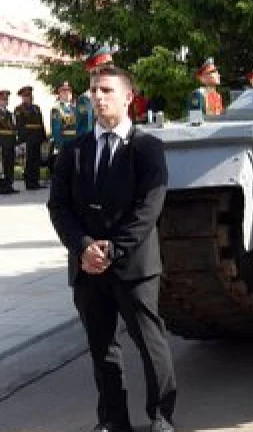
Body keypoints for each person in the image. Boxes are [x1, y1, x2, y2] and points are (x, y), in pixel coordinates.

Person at [47, 66, 177, 432]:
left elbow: (150, 205)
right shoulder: (74, 151)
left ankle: (162, 416)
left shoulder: (146, 148)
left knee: (150, 344)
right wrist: (84, 247)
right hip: (87, 269)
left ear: (128, 97)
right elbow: (59, 207)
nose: (98, 97)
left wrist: (114, 249)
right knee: (102, 349)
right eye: (93, 91)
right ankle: (112, 420)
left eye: (106, 90)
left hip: (133, 266)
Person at [77, 46, 115, 138]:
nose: (112, 69)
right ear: (97, 70)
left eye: (111, 65)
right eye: (107, 67)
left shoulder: (115, 94)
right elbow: (85, 131)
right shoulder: (86, 98)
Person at [14, 85, 47, 190]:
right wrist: (23, 139)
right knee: (29, 161)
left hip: (37, 137)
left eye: (30, 95)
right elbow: (19, 126)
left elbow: (41, 123)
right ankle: (29, 183)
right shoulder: (19, 109)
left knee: (36, 160)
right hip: (28, 138)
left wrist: (43, 137)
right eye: (26, 96)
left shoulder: (36, 108)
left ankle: (35, 181)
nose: (29, 97)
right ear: (23, 97)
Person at [51, 81, 78, 154]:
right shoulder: (57, 109)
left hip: (77, 144)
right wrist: (60, 147)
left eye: (69, 91)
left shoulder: (76, 109)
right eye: (64, 91)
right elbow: (56, 131)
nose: (67, 94)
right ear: (59, 94)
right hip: (65, 145)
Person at [0, 89, 17, 195]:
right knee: (2, 165)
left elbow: (14, 129)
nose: (5, 101)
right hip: (1, 142)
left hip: (10, 143)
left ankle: (9, 185)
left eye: (6, 99)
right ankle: (2, 186)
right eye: (3, 99)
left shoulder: (11, 114)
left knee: (10, 164)